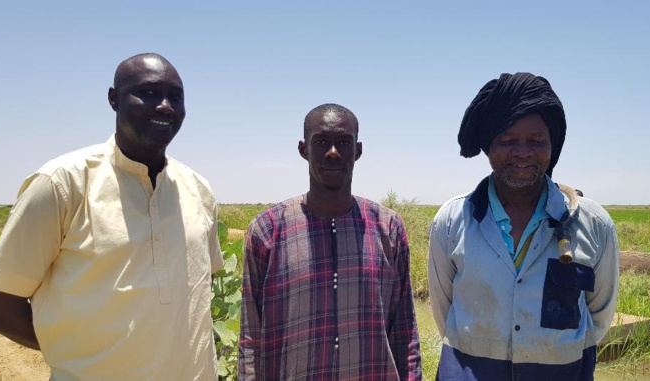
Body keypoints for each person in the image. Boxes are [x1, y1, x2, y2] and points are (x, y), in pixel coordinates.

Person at [0, 53, 223, 380]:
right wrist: (74, 350)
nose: (166, 106)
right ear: (114, 99)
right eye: (150, 93)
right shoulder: (63, 184)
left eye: (176, 97)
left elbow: (199, 287)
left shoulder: (198, 189)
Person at [428, 73, 619, 380]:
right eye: (507, 140)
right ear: (489, 146)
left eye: (536, 141)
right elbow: (443, 310)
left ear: (552, 144)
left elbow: (599, 317)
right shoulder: (452, 221)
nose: (522, 152)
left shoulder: (593, 224)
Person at [238, 103, 422, 380]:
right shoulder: (267, 231)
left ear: (358, 151)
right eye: (321, 142)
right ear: (303, 149)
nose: (333, 152)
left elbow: (405, 330)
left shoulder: (388, 229)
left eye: (343, 143)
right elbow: (250, 337)